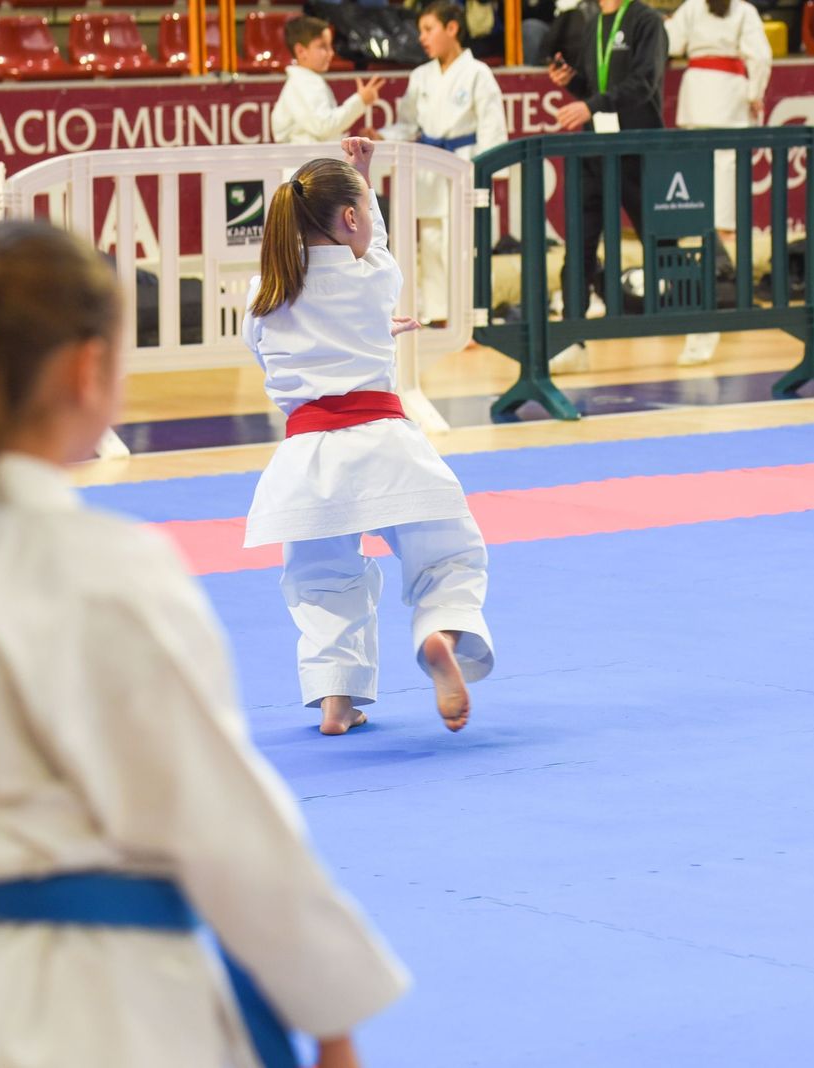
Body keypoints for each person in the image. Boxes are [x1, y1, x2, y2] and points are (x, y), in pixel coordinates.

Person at [0, 219, 408, 1068]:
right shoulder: (106, 571)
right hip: (111, 1010)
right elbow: (225, 822)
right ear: (84, 368)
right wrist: (328, 1014)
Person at [243, 137, 494, 737]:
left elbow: (276, 352)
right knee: (448, 557)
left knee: (322, 583)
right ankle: (440, 631)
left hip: (307, 463)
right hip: (386, 447)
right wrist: (364, 174)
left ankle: (336, 701)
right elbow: (371, 244)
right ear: (351, 216)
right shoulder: (375, 275)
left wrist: (355, 337)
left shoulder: (263, 298)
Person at [545, 0, 667, 372]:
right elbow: (593, 87)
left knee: (660, 239)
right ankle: (572, 336)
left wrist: (592, 105)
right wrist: (574, 84)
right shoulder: (594, 23)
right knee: (579, 244)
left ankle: (699, 322)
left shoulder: (647, 22)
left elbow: (644, 82)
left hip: (635, 147)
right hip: (594, 148)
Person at [379, 1, 507, 325]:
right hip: (428, 167)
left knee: (464, 246)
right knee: (432, 243)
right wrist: (381, 134)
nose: (422, 38)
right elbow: (408, 124)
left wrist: (489, 173)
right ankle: (437, 314)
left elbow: (492, 128)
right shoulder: (420, 76)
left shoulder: (478, 73)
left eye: (428, 29)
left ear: (452, 29)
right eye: (420, 31)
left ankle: (472, 317)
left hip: (464, 165)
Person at [665, 0, 771, 366]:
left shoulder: (692, 8)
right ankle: (723, 230)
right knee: (726, 163)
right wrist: (756, 93)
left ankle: (705, 226)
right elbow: (761, 56)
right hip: (728, 92)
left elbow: (671, 44)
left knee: (699, 164)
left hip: (698, 91)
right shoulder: (743, 11)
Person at [272, 16, 386, 145]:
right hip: (304, 163)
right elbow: (324, 127)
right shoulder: (304, 83)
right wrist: (360, 101)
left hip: (309, 162)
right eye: (322, 47)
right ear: (301, 51)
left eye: (330, 46)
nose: (331, 53)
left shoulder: (305, 81)